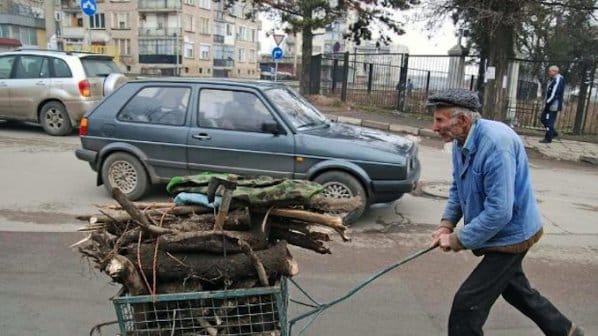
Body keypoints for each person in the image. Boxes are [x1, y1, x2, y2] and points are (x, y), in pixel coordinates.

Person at [427, 88, 584, 336]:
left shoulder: (496, 145)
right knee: (517, 291)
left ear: (463, 121)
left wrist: (458, 239)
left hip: (513, 235)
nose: (434, 127)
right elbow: (458, 186)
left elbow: (500, 212)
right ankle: (566, 331)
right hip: (496, 232)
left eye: (439, 120)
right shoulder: (460, 142)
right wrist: (447, 224)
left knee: (466, 306)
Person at [540, 65, 565, 143]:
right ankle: (553, 132)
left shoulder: (558, 79)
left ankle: (548, 138)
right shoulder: (553, 79)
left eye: (550, 71)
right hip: (550, 104)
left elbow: (554, 93)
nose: (549, 72)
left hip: (553, 105)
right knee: (543, 119)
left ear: (555, 71)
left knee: (548, 120)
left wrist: (548, 103)